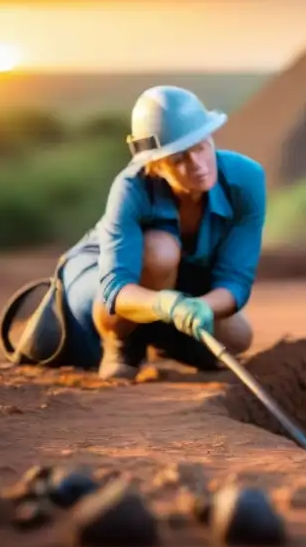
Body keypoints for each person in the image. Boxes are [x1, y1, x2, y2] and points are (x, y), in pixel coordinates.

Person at [58, 85, 266, 379]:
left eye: (201, 146)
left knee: (237, 337)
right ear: (155, 165)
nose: (197, 165)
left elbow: (236, 280)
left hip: (176, 286)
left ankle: (162, 339)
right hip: (99, 277)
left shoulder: (246, 179)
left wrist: (201, 306)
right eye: (179, 158)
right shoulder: (130, 188)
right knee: (160, 250)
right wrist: (164, 304)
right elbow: (115, 289)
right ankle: (124, 346)